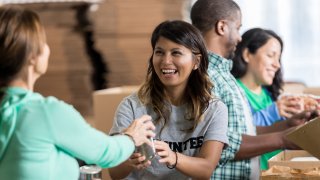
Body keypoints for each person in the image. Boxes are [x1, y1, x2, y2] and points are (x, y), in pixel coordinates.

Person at [0, 6, 155, 180]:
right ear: (32, 57)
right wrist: (131, 137)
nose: (47, 48)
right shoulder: (45, 112)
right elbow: (106, 152)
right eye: (43, 42)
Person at [191, 0, 317, 179]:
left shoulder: (223, 75)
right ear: (222, 27)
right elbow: (218, 145)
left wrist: (287, 126)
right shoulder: (203, 75)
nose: (240, 38)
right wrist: (281, 138)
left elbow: (240, 133)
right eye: (238, 28)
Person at [108, 20, 229, 180]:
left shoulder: (214, 109)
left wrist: (174, 157)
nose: (165, 61)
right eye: (159, 52)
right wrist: (130, 162)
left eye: (176, 53)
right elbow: (114, 173)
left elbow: (206, 169)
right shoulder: (131, 106)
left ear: (196, 62)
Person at [230, 28, 304, 170]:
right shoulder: (234, 91)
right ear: (247, 54)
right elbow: (238, 134)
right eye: (271, 55)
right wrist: (273, 112)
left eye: (278, 58)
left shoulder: (269, 95)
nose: (277, 64)